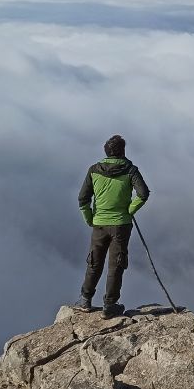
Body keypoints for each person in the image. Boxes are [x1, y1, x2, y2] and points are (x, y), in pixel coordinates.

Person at [76, 134, 150, 318]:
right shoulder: (130, 170)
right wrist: (129, 211)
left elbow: (83, 198)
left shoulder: (94, 170)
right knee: (116, 265)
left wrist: (89, 219)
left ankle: (85, 300)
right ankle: (110, 305)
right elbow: (143, 194)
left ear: (106, 151)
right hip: (121, 225)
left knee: (94, 262)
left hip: (99, 224)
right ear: (123, 151)